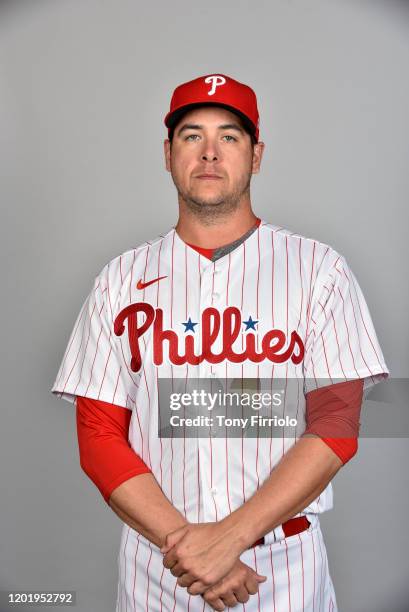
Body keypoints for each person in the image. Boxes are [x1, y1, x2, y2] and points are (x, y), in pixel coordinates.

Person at [51, 73, 390, 611]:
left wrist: (228, 540)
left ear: (256, 155)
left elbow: (336, 425)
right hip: (160, 570)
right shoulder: (119, 279)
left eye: (229, 137)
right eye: (192, 136)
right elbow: (98, 435)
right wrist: (192, 552)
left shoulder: (319, 271)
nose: (210, 153)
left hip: (283, 569)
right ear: (168, 154)